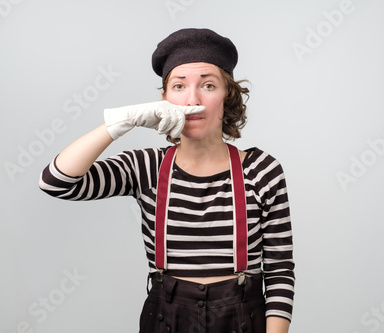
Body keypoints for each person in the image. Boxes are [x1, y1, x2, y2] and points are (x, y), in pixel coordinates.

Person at [39, 28, 295, 333]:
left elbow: (279, 273)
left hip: (242, 321)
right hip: (166, 321)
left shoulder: (262, 170)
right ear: (163, 100)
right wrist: (123, 122)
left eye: (209, 85)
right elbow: (56, 181)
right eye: (178, 86)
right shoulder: (146, 166)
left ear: (228, 96)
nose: (192, 99)